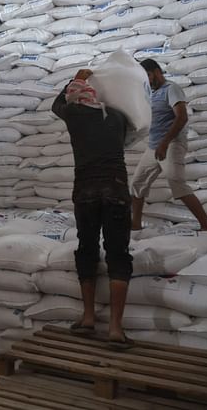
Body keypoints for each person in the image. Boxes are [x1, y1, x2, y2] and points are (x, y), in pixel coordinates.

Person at [53, 69, 133, 349]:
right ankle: (115, 328)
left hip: (85, 190)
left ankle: (88, 317)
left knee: (87, 249)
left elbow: (56, 104)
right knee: (118, 254)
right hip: (117, 189)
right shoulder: (117, 117)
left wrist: (76, 78)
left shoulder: (73, 115)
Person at [130, 59, 207, 231]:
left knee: (177, 182)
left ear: (156, 71)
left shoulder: (171, 89)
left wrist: (165, 143)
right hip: (154, 145)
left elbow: (182, 117)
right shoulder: (149, 93)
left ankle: (206, 226)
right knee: (137, 184)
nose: (147, 81)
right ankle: (135, 225)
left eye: (148, 76)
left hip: (172, 144)